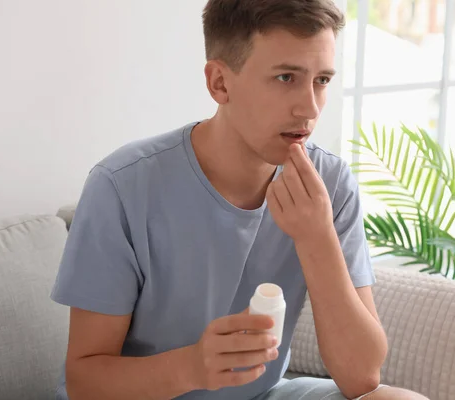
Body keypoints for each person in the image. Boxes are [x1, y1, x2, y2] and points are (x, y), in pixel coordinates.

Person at [51, 1, 429, 399]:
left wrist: (316, 236)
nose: (310, 107)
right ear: (220, 83)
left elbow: (361, 378)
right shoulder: (122, 187)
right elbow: (84, 382)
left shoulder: (328, 184)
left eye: (321, 80)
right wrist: (193, 367)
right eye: (286, 77)